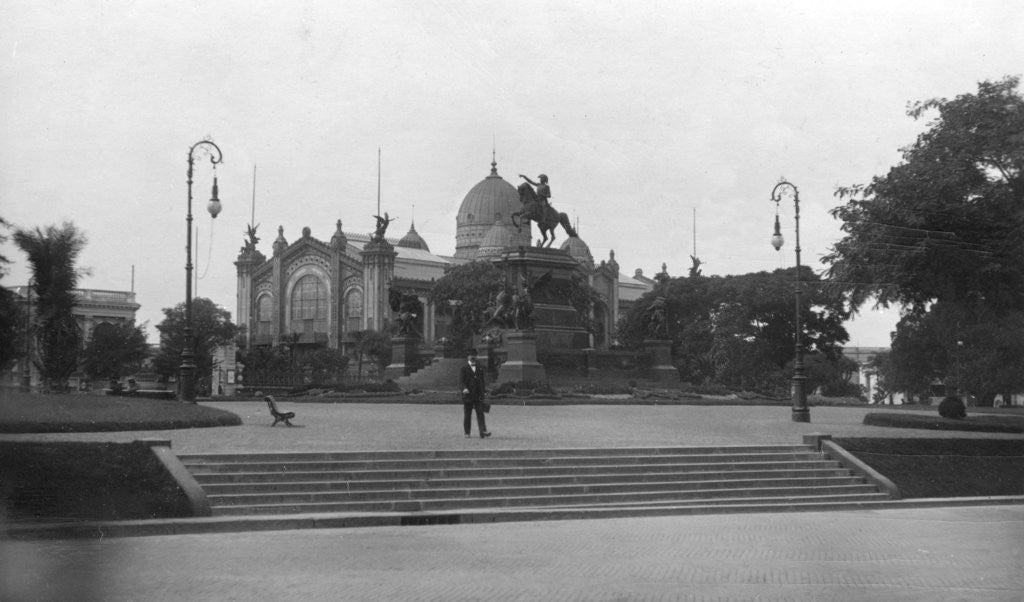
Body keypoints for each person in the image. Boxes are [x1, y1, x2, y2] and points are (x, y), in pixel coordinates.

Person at [460, 348, 491, 438]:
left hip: (478, 395)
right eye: (470, 355)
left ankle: (483, 431)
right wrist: (464, 388)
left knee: (480, 413)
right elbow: (461, 381)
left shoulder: (479, 367)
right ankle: (467, 432)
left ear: (476, 356)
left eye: (474, 355)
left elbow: (482, 381)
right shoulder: (464, 368)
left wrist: (483, 392)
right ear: (468, 357)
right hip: (468, 395)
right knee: (467, 414)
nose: (472, 357)